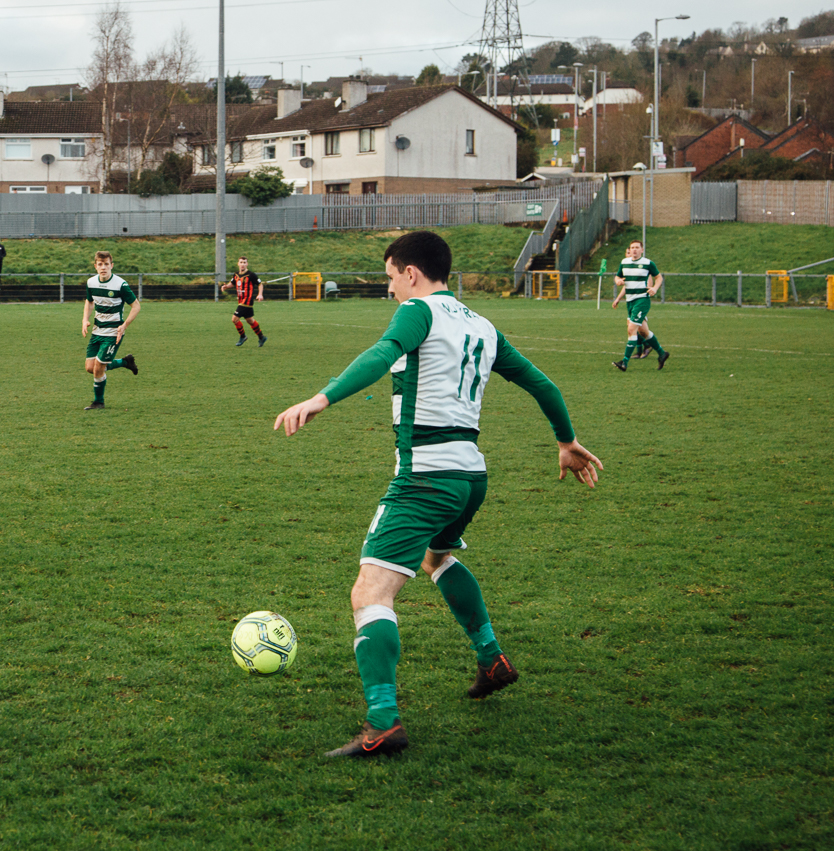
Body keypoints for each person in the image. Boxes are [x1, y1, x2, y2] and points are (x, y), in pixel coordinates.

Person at [273, 231, 602, 759]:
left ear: (410, 273)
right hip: (470, 477)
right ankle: (491, 658)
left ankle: (382, 724)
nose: (390, 291)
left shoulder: (419, 311)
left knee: (369, 594)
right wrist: (565, 440)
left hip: (424, 477)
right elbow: (544, 384)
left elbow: (383, 354)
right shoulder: (483, 324)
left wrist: (321, 398)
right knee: (437, 558)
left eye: (389, 279)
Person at [81, 250, 139, 410]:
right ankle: (125, 362)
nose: (103, 267)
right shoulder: (91, 283)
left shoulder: (120, 285)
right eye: (100, 264)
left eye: (106, 264)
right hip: (97, 331)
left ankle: (98, 402)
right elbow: (89, 301)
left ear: (111, 265)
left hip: (114, 332)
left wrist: (124, 325)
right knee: (90, 368)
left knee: (99, 366)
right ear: (95, 266)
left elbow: (136, 306)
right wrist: (85, 319)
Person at [612, 239, 669, 370]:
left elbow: (659, 277)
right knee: (643, 331)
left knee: (631, 329)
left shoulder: (648, 263)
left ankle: (624, 362)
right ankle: (662, 353)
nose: (634, 250)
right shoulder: (624, 262)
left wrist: (655, 288)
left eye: (637, 247)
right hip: (630, 301)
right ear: (630, 250)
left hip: (642, 300)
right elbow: (617, 276)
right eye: (632, 247)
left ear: (642, 250)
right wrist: (618, 281)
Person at [222, 255, 266, 347]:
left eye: (244, 262)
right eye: (241, 262)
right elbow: (232, 283)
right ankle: (261, 337)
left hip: (247, 301)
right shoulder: (236, 274)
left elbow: (260, 284)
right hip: (241, 300)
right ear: (238, 264)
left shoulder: (251, 275)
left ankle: (243, 336)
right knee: (250, 320)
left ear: (247, 264)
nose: (242, 264)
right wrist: (226, 286)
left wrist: (260, 294)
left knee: (234, 319)